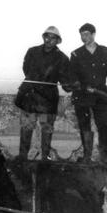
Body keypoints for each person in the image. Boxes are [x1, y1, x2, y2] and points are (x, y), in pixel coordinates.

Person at [15, 26, 71, 161]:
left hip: (47, 100)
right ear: (43, 37)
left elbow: (65, 80)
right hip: (30, 97)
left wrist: (70, 85)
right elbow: (26, 69)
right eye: (47, 37)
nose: (49, 40)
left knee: (46, 129)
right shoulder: (32, 52)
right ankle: (23, 157)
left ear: (57, 41)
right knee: (26, 128)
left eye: (53, 38)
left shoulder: (62, 58)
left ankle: (45, 158)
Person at [69, 23, 107, 163]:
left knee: (103, 125)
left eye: (86, 34)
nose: (83, 37)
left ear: (93, 34)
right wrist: (83, 87)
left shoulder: (105, 51)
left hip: (101, 96)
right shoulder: (76, 54)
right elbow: (72, 77)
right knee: (84, 125)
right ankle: (87, 156)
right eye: (81, 34)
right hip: (82, 96)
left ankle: (104, 155)